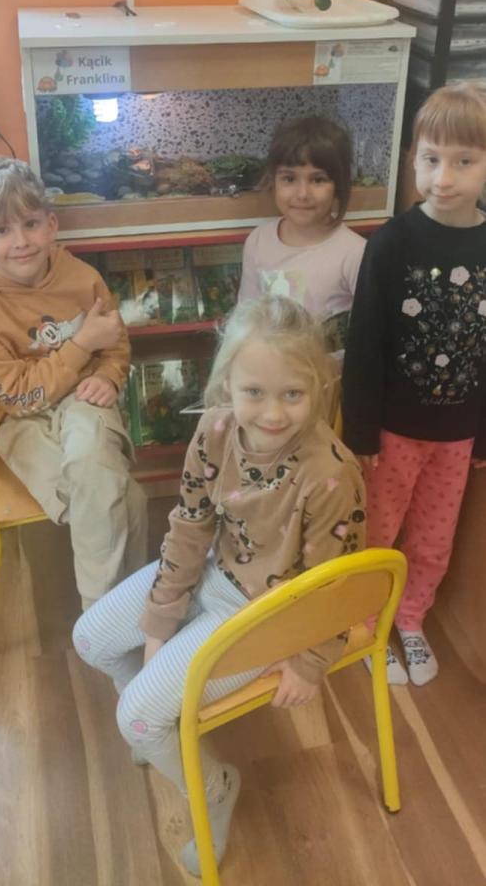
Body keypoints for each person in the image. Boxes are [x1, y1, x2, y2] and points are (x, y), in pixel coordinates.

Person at [73, 295, 365, 875]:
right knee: (89, 640)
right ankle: (159, 724)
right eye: (254, 391)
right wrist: (162, 617)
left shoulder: (332, 475)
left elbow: (333, 584)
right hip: (211, 571)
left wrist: (310, 661)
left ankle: (214, 786)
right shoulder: (213, 428)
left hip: (267, 616)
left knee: (136, 719)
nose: (273, 413)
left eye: (292, 394)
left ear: (318, 388)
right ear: (226, 382)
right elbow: (190, 525)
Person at [342, 83, 486, 686]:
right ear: (413, 160)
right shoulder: (391, 243)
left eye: (464, 161)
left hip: (457, 437)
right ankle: (365, 625)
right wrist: (360, 432)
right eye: (431, 159)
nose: (443, 178)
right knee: (378, 533)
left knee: (433, 539)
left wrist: (481, 436)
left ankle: (411, 619)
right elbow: (365, 344)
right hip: (392, 433)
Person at [0, 156, 147, 609]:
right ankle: (127, 613)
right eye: (2, 230)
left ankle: (100, 618)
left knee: (95, 477)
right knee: (119, 495)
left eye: (31, 224)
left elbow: (115, 343)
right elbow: (18, 397)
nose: (21, 241)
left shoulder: (83, 278)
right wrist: (81, 346)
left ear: (51, 225)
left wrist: (108, 374)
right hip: (18, 420)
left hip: (83, 398)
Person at [238, 116, 365, 355]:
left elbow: (367, 335)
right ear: (273, 181)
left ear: (338, 186)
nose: (302, 193)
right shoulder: (258, 241)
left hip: (328, 376)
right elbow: (246, 320)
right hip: (270, 370)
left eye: (318, 180)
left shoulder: (356, 253)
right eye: (289, 179)